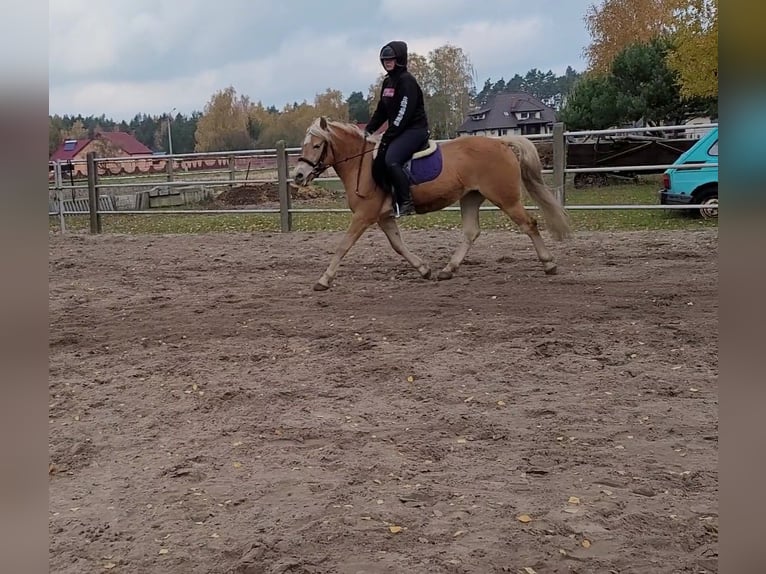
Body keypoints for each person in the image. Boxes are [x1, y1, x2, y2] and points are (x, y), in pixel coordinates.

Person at [365, 41, 430, 217]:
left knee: (391, 159)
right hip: (399, 130)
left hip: (415, 130)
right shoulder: (388, 82)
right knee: (378, 160)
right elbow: (381, 111)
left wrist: (388, 135)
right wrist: (368, 131)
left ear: (399, 59)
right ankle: (388, 197)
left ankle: (406, 201)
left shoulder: (407, 81)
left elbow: (404, 112)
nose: (387, 62)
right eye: (385, 60)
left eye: (391, 59)